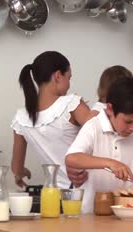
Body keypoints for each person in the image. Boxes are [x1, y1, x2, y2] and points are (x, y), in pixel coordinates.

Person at [65, 77, 133, 213]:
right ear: (109, 109)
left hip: (123, 213)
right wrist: (110, 163)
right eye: (128, 121)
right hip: (90, 214)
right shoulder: (94, 126)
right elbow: (71, 158)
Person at [10, 51, 97, 189]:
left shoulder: (21, 119)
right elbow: (99, 131)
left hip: (53, 194)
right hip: (85, 190)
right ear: (57, 76)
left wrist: (21, 173)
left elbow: (16, 168)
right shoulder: (71, 104)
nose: (69, 84)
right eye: (69, 78)